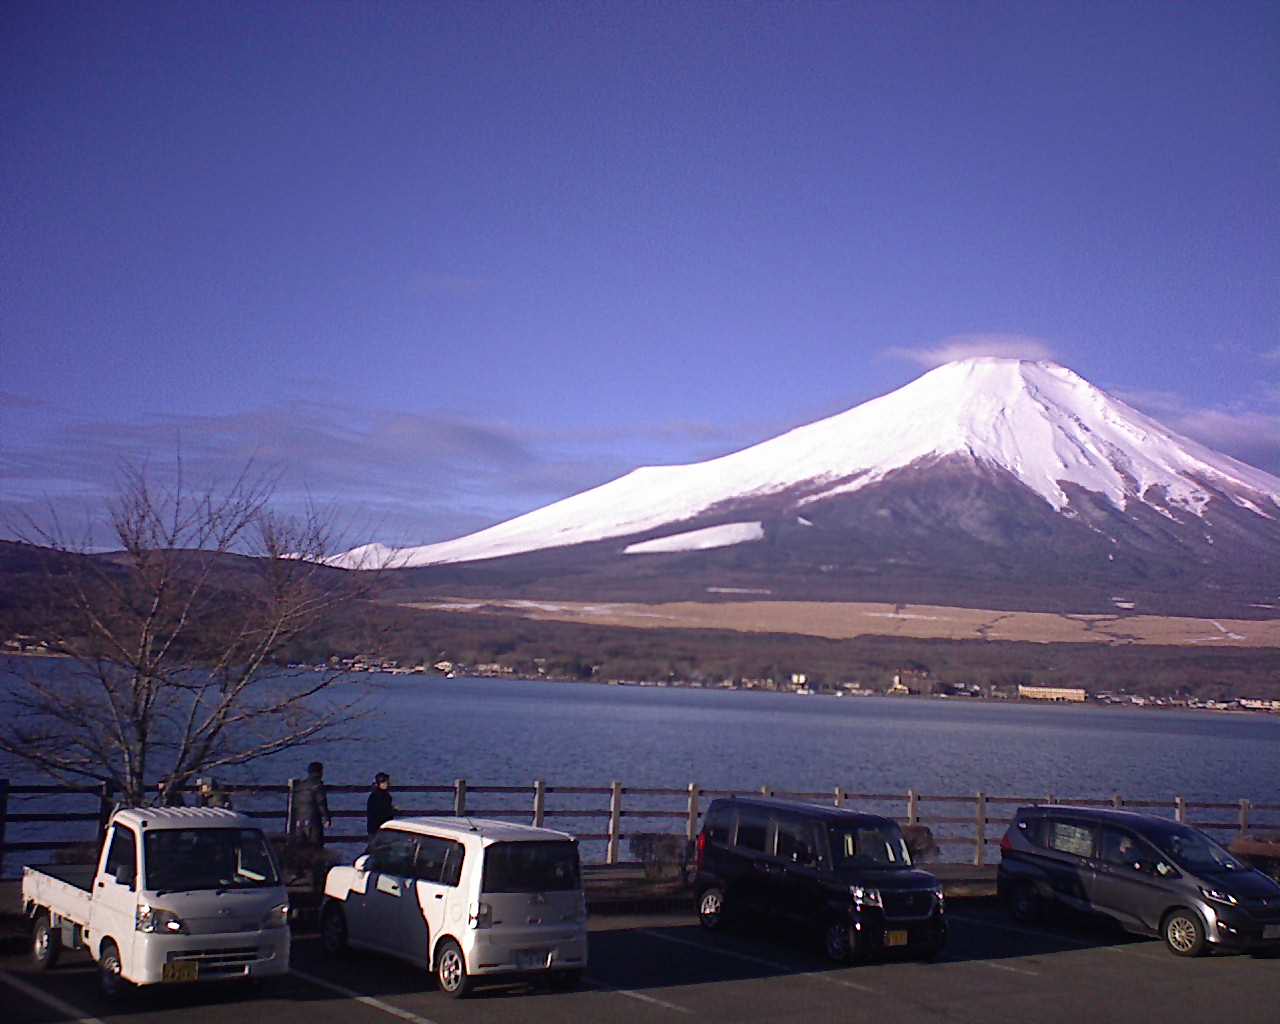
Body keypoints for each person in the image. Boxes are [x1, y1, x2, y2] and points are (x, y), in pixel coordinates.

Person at [291, 761, 332, 889]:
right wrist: (326, 817)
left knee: (300, 847)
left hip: (300, 820)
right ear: (320, 772)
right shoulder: (317, 786)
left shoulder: (300, 786)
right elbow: (321, 803)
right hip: (313, 820)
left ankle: (297, 872)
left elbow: (295, 805)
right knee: (315, 847)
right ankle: (315, 876)